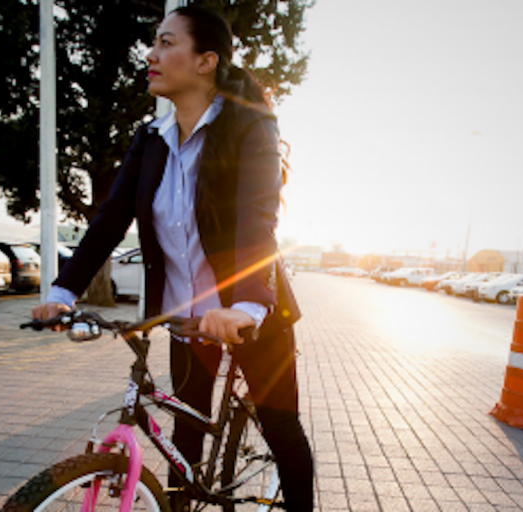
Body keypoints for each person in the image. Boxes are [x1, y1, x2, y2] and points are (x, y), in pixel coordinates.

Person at [31, 5, 314, 510]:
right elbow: (109, 220)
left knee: (281, 428)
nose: (151, 53)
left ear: (206, 61)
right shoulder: (151, 140)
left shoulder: (250, 129)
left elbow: (256, 219)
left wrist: (247, 306)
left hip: (252, 314)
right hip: (185, 316)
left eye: (166, 42)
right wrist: (61, 292)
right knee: (186, 433)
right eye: (154, 42)